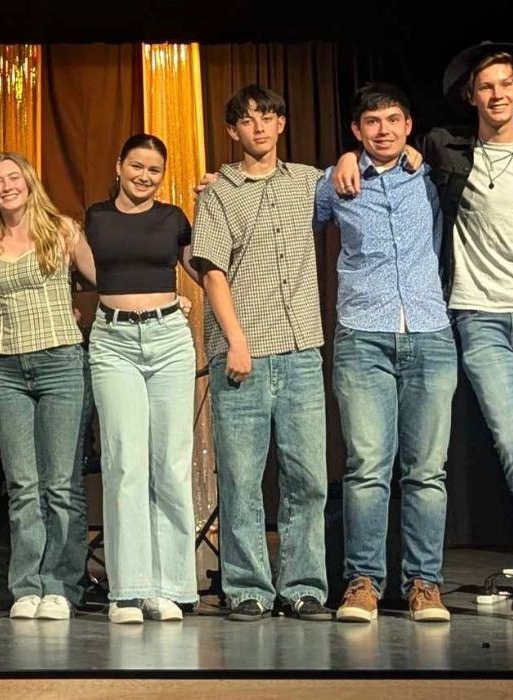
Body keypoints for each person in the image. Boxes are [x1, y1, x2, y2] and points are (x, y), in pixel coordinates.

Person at [331, 42, 513, 627]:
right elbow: (361, 157)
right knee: (503, 448)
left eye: (507, 84)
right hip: (473, 317)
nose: (498, 94)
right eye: (487, 87)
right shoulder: (444, 151)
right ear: (470, 96)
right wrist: (343, 160)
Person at [314, 83, 456, 623]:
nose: (384, 130)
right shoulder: (336, 181)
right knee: (368, 467)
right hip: (363, 335)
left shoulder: (433, 173)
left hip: (429, 332)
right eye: (372, 122)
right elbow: (280, 212)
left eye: (393, 120)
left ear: (408, 124)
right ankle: (363, 583)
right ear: (357, 130)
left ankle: (425, 583)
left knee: (426, 471)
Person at [190, 85, 332, 622]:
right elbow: (211, 270)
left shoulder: (306, 182)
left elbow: (355, 176)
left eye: (269, 117)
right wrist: (237, 341)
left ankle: (303, 587)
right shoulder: (221, 191)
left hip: (300, 352)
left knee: (307, 478)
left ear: (281, 124)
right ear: (233, 131)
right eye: (248, 120)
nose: (260, 127)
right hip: (243, 356)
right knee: (243, 478)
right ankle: (248, 587)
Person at [84, 133, 200, 624]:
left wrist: (213, 200)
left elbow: (201, 266)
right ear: (119, 165)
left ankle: (170, 587)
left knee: (170, 464)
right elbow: (75, 268)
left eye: (154, 170)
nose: (144, 176)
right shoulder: (94, 217)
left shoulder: (174, 218)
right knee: (125, 463)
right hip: (112, 342)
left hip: (169, 338)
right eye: (136, 166)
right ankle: (128, 590)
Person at [0, 151, 96, 620]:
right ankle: (27, 585)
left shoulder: (62, 229)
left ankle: (62, 585)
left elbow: (102, 277)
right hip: (7, 368)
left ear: (29, 181)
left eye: (13, 177)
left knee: (61, 484)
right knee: (23, 483)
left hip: (61, 362)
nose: (5, 186)